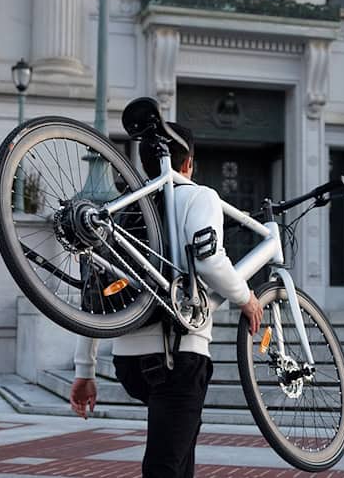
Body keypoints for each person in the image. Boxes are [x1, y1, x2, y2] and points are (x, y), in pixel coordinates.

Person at [70, 108, 264, 478]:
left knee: (180, 455)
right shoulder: (198, 196)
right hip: (178, 357)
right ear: (188, 162)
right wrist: (246, 298)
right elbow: (208, 259)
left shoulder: (125, 209)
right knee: (164, 467)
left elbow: (95, 290)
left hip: (128, 363)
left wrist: (85, 369)